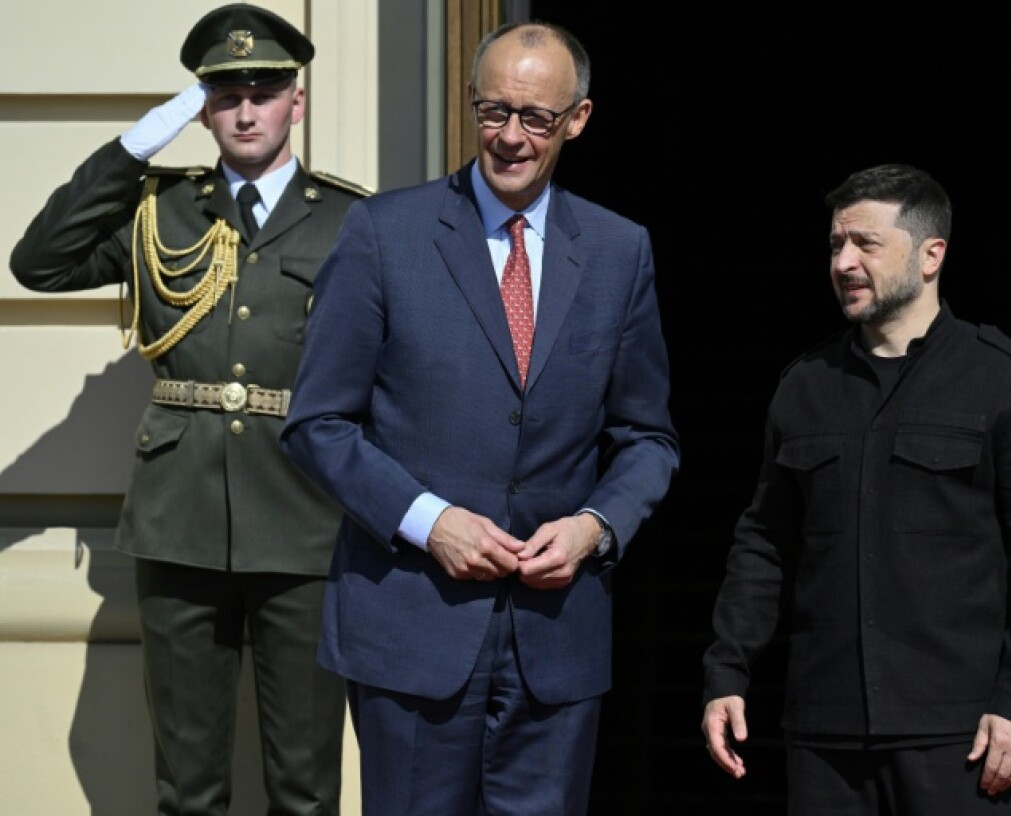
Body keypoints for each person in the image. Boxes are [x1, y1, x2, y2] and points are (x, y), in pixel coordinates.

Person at [278, 19, 680, 816]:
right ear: (470, 105)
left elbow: (648, 437)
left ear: (578, 120)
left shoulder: (617, 249)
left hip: (556, 638)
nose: (511, 137)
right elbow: (316, 424)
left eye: (535, 117)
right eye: (493, 111)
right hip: (411, 629)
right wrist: (431, 522)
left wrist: (594, 525)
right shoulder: (382, 234)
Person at [8, 5, 372, 813]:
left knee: (307, 787)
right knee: (189, 787)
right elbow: (38, 263)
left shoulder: (355, 220)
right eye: (225, 93)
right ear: (203, 107)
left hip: (307, 521)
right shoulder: (158, 209)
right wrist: (132, 150)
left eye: (266, 91)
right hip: (179, 521)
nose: (246, 109)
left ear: (296, 102)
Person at [700, 163, 1011, 815]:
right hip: (825, 737)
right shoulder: (804, 385)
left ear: (932, 254)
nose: (843, 262)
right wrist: (727, 671)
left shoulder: (1005, 381)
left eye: (865, 244)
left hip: (961, 739)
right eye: (835, 245)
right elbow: (763, 542)